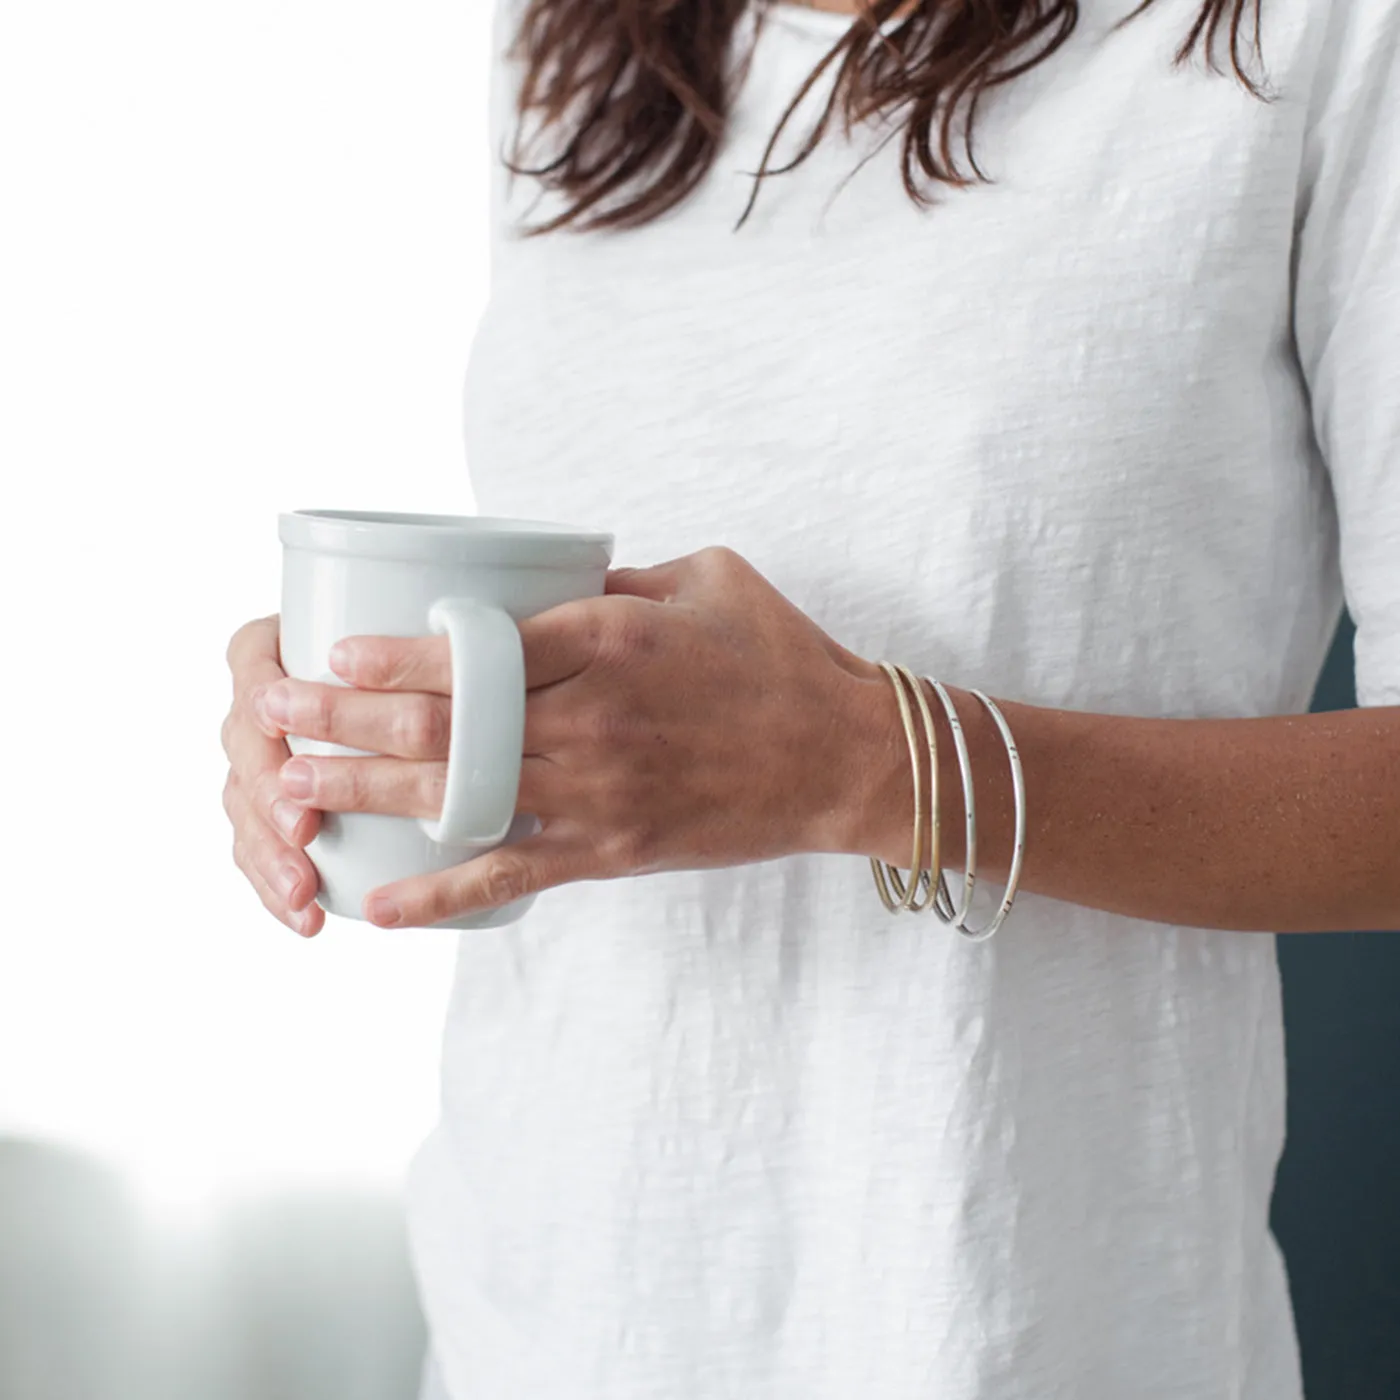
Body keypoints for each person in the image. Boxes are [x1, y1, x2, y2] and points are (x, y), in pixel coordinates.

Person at [220, 0, 1400, 1395]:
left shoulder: (1324, 34)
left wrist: (868, 763)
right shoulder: (567, 37)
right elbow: (578, 634)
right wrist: (369, 726)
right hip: (537, 1324)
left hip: (1030, 1332)